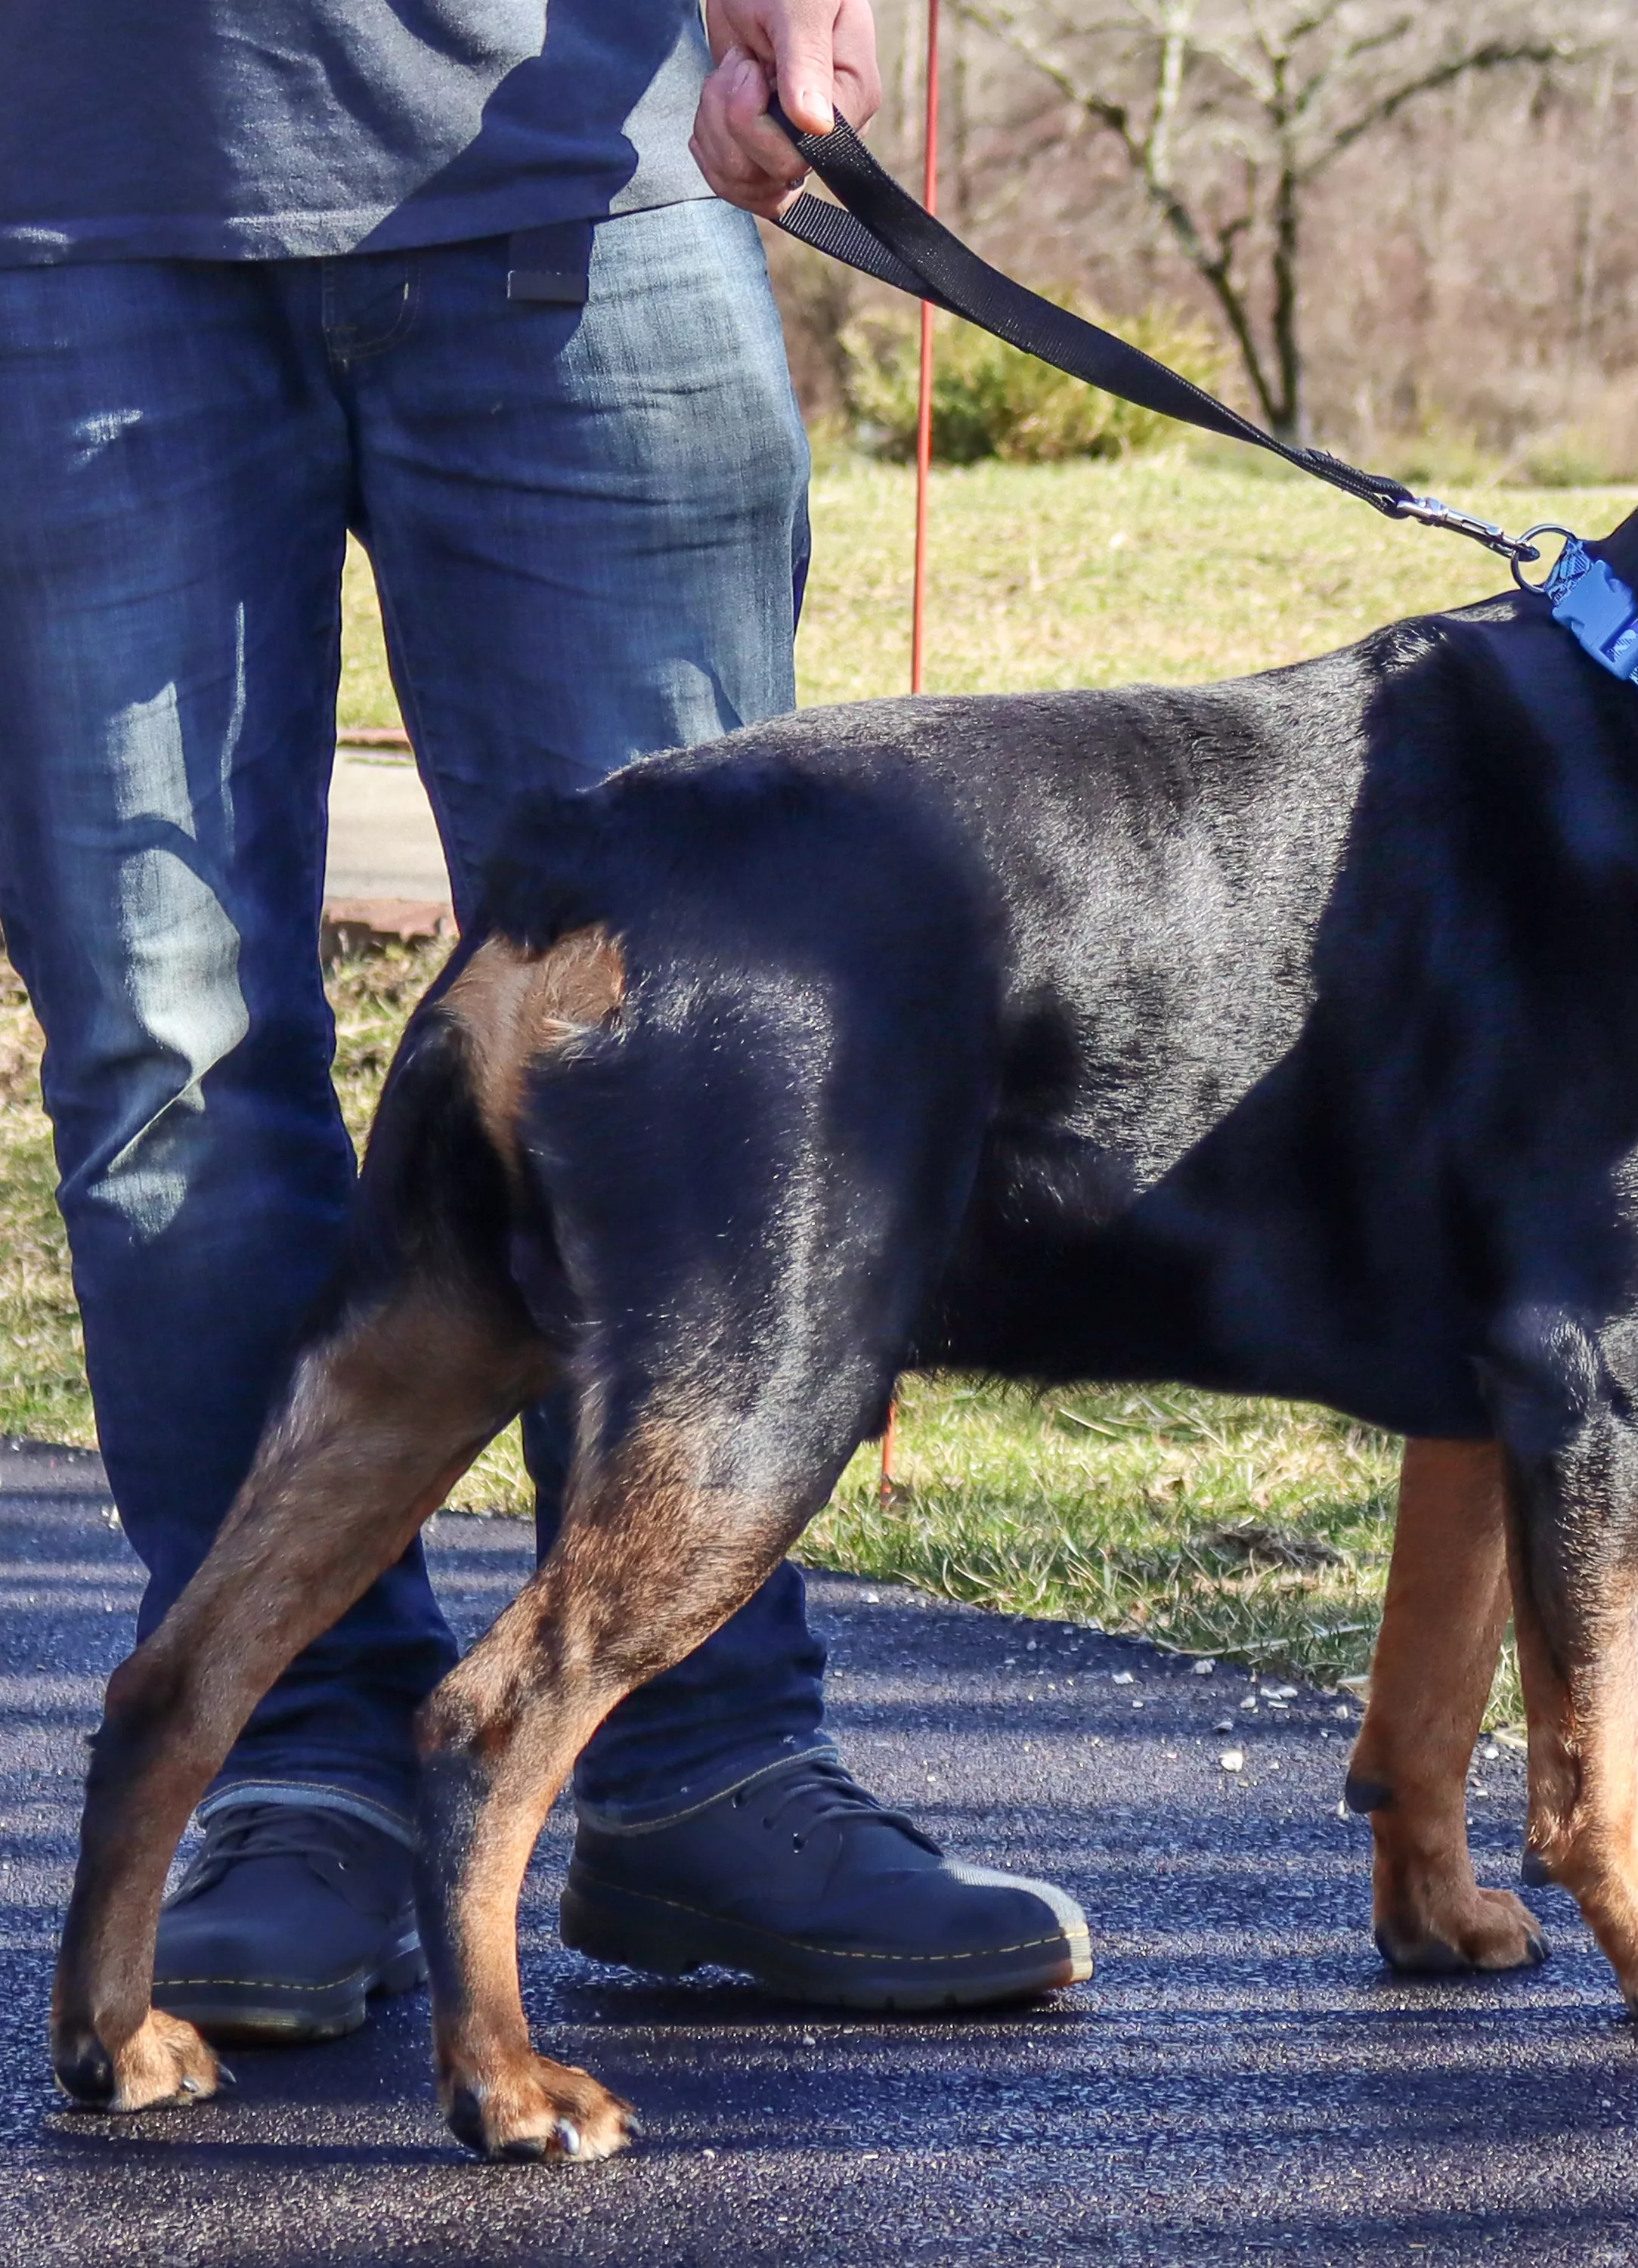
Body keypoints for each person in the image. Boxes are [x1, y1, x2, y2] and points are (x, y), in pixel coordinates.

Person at [0, 0, 1087, 2043]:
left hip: (576, 167)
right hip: (59, 212)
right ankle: (286, 1757)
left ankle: (698, 1760)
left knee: (702, 1047)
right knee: (166, 1057)